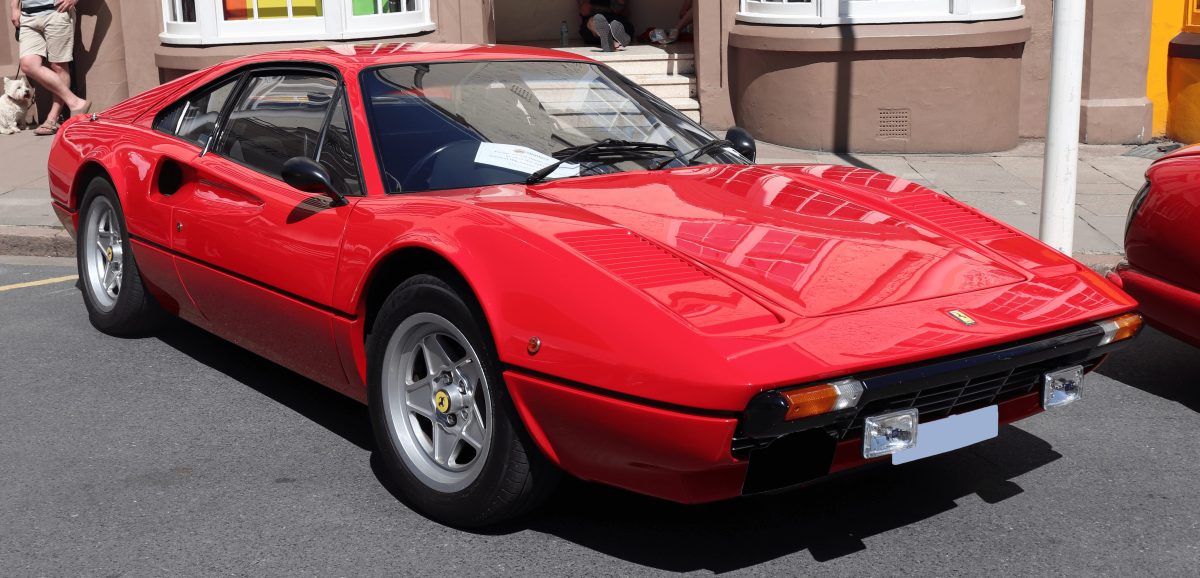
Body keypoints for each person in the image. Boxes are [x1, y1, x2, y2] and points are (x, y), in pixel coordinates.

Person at [9, 0, 88, 135]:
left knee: (58, 66)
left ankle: (53, 118)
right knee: (28, 64)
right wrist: (14, 7)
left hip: (56, 12)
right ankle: (75, 102)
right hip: (28, 16)